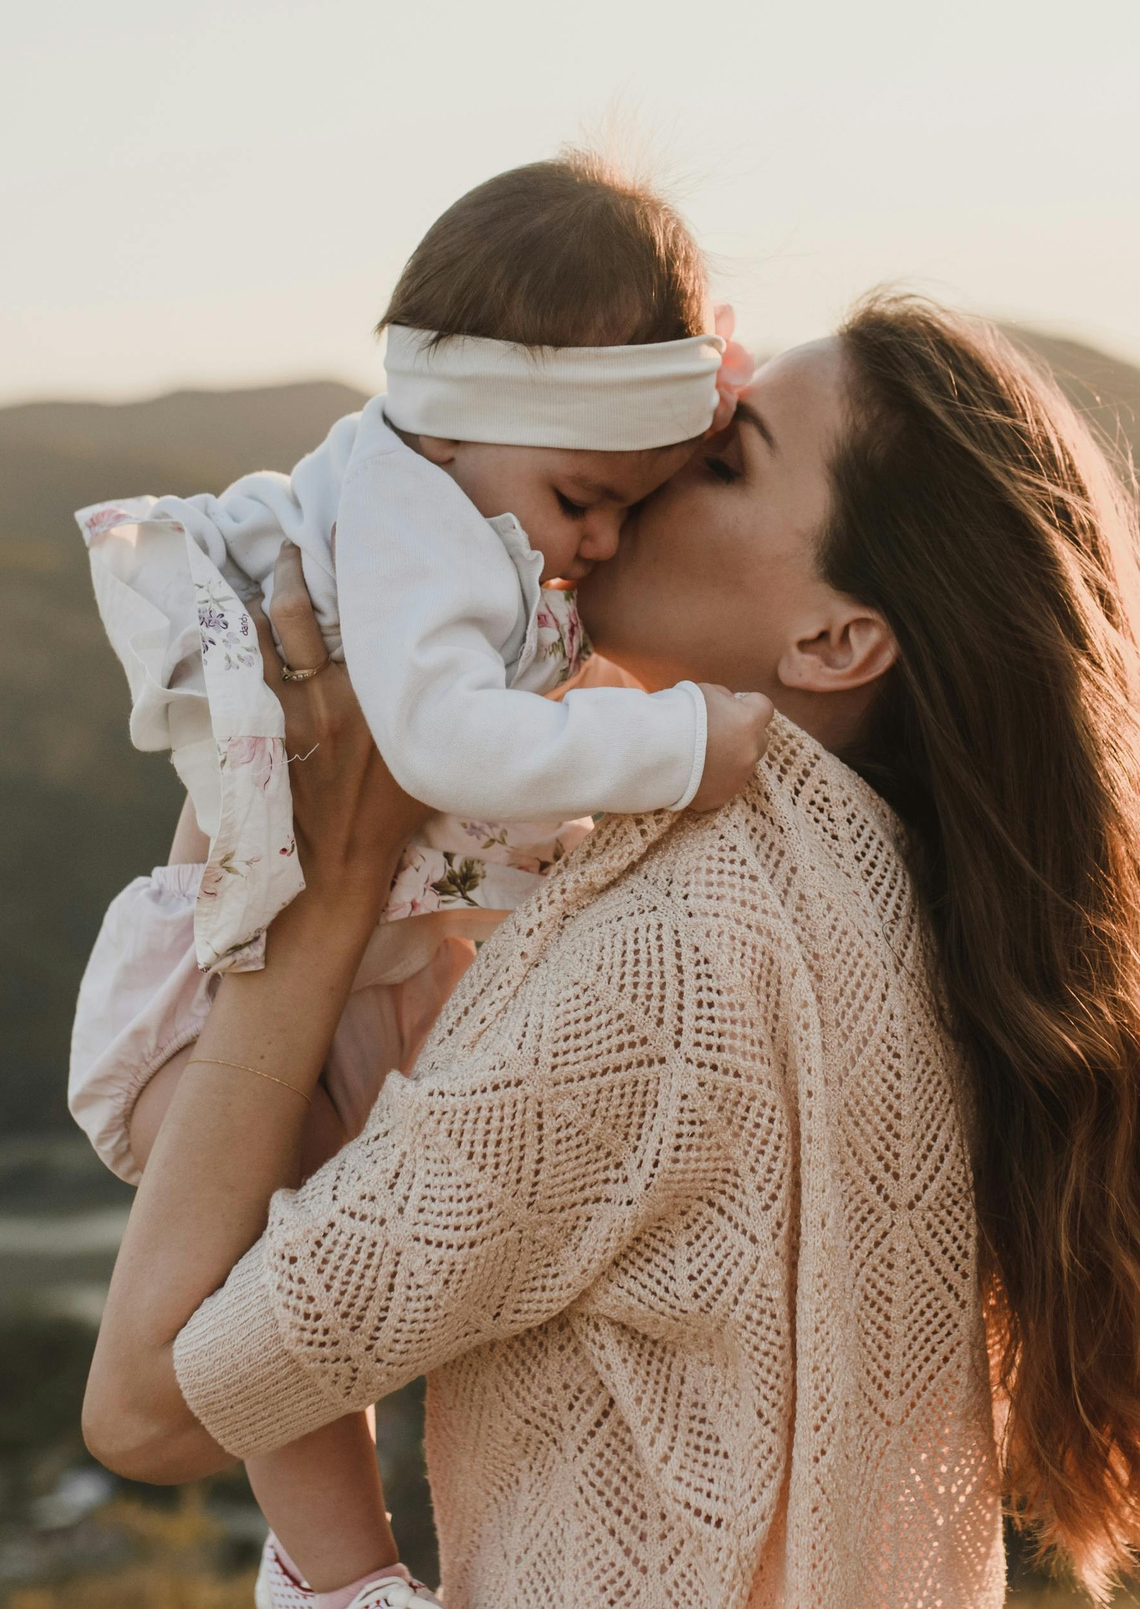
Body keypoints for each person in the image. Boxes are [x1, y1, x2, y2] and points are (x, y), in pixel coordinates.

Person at [80, 293, 1140, 1607]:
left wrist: (323, 894)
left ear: (834, 639)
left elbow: (156, 1405)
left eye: (716, 457)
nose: (641, 466)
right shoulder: (892, 915)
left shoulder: (676, 955)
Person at [71, 150, 770, 1609]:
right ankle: (341, 1581)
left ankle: (358, 1573)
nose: (592, 544)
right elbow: (448, 738)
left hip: (361, 970)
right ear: (477, 419)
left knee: (337, 1282)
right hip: (256, 992)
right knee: (275, 1304)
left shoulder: (459, 497)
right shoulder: (406, 517)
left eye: (625, 515)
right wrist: (681, 741)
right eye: (586, 497)